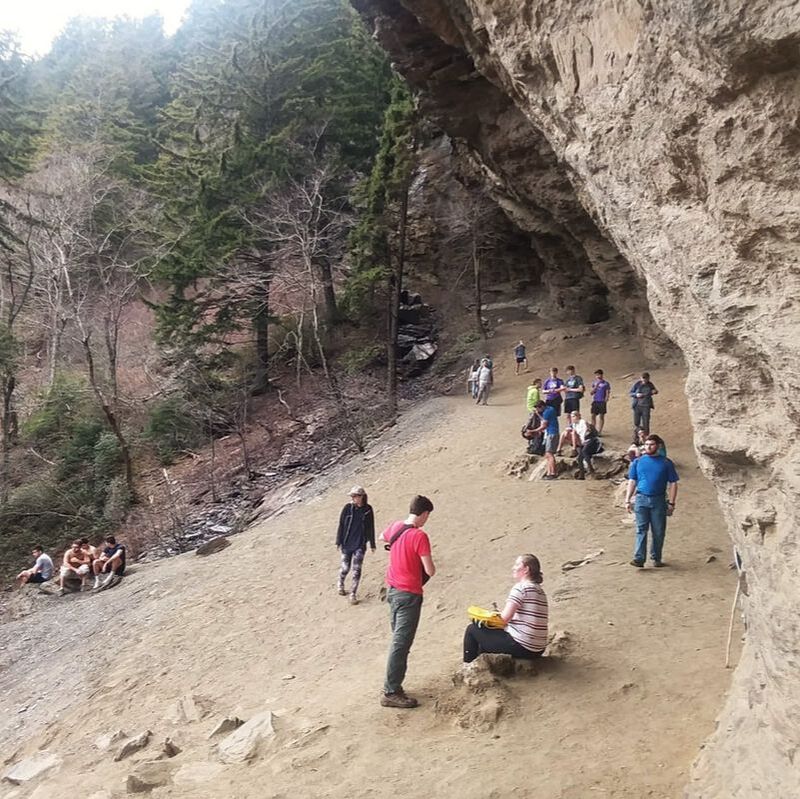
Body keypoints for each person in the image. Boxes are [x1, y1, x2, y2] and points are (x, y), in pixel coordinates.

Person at [380, 495, 436, 709]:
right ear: (424, 514)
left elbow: (381, 537)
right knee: (401, 644)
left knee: (398, 640)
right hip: (409, 594)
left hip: (393, 591)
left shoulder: (395, 527)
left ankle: (394, 685)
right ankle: (391, 690)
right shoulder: (419, 536)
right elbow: (430, 569)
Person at [463, 553, 548, 663]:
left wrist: (485, 619)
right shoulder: (539, 590)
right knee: (488, 636)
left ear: (526, 569)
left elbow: (504, 619)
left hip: (523, 646)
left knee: (472, 629)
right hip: (538, 648)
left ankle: (468, 667)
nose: (513, 567)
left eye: (517, 564)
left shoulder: (520, 588)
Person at [625, 434, 679, 567]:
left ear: (658, 446)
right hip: (641, 498)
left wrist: (671, 502)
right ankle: (639, 558)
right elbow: (632, 481)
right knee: (641, 529)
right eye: (647, 445)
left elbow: (673, 483)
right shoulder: (638, 462)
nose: (648, 447)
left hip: (659, 499)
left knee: (658, 530)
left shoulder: (666, 463)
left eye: (652, 444)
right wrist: (627, 500)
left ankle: (656, 557)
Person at [335, 486, 376, 605]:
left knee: (356, 570)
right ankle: (340, 584)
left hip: (360, 544)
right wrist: (338, 541)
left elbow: (371, 526)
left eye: (355, 496)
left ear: (361, 497)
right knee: (345, 568)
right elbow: (341, 525)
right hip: (347, 543)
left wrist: (372, 543)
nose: (353, 499)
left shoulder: (368, 510)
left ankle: (353, 593)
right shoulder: (347, 508)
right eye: (352, 496)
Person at [532, 399, 558, 480]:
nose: (538, 410)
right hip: (552, 433)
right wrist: (538, 415)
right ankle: (549, 472)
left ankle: (553, 473)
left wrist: (533, 431)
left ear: (542, 407)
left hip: (551, 433)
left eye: (538, 409)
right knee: (548, 454)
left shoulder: (546, 412)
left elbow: (544, 425)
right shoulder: (551, 409)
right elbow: (545, 420)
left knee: (549, 454)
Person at [590, 369, 611, 434]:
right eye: (596, 375)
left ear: (602, 375)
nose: (598, 376)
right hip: (595, 401)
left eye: (599, 374)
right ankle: (593, 430)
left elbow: (607, 392)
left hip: (602, 401)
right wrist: (595, 387)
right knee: (593, 415)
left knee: (601, 416)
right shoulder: (594, 383)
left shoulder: (606, 383)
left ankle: (600, 431)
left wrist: (606, 399)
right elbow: (591, 393)